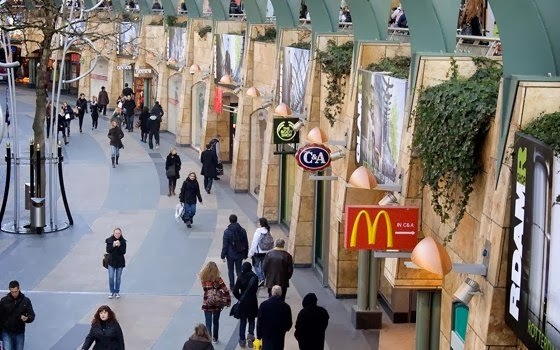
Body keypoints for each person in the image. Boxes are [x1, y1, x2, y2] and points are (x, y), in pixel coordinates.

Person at [199, 261, 231, 343]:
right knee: (216, 322)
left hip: (207, 302)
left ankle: (209, 339)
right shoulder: (218, 279)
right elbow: (226, 290)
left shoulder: (203, 278)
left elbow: (205, 290)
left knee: (208, 323)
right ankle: (215, 338)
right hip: (217, 303)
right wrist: (227, 300)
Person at [0, 280, 36, 350]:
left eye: (15, 291)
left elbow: (32, 315)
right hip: (6, 332)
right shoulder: (4, 301)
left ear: (19, 289)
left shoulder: (26, 301)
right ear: (9, 290)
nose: (14, 294)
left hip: (19, 332)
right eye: (12, 292)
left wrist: (27, 318)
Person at [256, 285, 292, 350]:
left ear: (272, 293)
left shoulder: (264, 305)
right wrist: (284, 330)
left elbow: (259, 322)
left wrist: (259, 335)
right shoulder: (286, 307)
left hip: (266, 335)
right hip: (279, 336)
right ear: (281, 293)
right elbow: (289, 323)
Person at [232, 262, 258, 349]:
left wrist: (240, 297)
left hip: (243, 302)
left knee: (243, 321)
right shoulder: (255, 277)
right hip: (252, 301)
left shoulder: (240, 277)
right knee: (251, 319)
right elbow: (255, 289)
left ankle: (242, 340)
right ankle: (250, 335)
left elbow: (235, 291)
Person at [221, 214, 249, 290]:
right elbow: (246, 243)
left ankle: (232, 286)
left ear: (230, 220)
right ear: (236, 220)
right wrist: (246, 253)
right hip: (240, 253)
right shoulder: (242, 230)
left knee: (230, 270)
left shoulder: (227, 231)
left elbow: (225, 245)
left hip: (230, 254)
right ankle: (240, 285)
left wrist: (223, 255)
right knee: (239, 270)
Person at [248, 217, 272, 287]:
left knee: (255, 266)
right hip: (266, 252)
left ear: (261, 224)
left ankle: (261, 279)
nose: (257, 223)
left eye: (258, 222)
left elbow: (254, 243)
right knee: (262, 266)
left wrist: (250, 254)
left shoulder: (258, 232)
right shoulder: (268, 231)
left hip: (258, 253)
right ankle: (263, 279)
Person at [105, 227, 126, 299]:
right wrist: (113, 245)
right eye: (116, 233)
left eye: (119, 233)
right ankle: (112, 291)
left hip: (120, 262)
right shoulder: (109, 240)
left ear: (121, 234)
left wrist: (119, 246)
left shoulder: (123, 241)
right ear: (113, 233)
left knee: (118, 278)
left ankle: (117, 292)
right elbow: (108, 250)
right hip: (111, 262)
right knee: (111, 277)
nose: (117, 235)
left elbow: (123, 252)